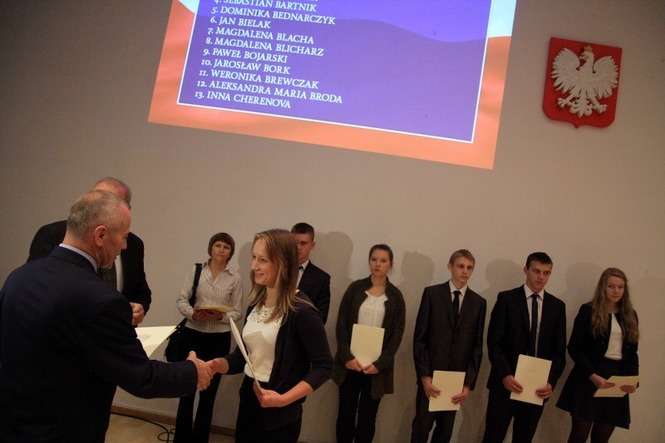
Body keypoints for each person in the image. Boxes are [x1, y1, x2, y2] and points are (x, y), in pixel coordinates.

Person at [0, 190, 212, 443]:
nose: (124, 246)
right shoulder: (100, 298)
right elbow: (142, 377)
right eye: (123, 237)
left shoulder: (19, 277)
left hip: (14, 422)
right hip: (63, 429)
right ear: (100, 235)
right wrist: (192, 372)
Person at [209, 229, 332, 443]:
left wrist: (284, 399)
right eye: (254, 257)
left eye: (262, 260)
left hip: (281, 411)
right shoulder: (256, 303)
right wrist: (218, 364)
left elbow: (324, 367)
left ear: (283, 263)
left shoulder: (302, 311)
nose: (254, 266)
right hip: (249, 397)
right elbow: (242, 357)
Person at [27, 176, 151, 325]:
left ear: (126, 210)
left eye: (107, 202)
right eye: (95, 198)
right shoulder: (51, 235)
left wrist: (138, 308)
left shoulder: (133, 244)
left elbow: (140, 291)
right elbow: (36, 290)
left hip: (116, 331)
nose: (96, 206)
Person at [482, 252, 567, 443]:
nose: (541, 277)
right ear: (526, 270)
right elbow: (494, 343)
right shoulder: (506, 299)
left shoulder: (557, 306)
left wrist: (550, 382)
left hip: (537, 388)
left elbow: (559, 351)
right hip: (505, 384)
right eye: (536, 271)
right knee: (493, 437)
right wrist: (505, 375)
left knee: (524, 438)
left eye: (546, 273)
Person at [411, 249, 487, 443]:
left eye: (469, 267)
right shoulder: (432, 294)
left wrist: (468, 384)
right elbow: (420, 338)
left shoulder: (478, 303)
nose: (465, 271)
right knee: (421, 428)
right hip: (431, 377)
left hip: (456, 382)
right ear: (450, 267)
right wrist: (425, 377)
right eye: (461, 266)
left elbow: (477, 347)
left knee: (444, 433)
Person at [173, 232, 243, 443]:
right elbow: (181, 300)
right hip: (192, 334)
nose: (221, 249)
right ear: (210, 248)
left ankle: (200, 439)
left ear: (230, 252)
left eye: (226, 247)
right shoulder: (196, 270)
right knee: (186, 390)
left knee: (208, 394)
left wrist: (220, 316)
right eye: (218, 245)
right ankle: (181, 439)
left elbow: (237, 312)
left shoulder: (235, 278)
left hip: (218, 339)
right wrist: (194, 314)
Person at [333, 244, 406, 443]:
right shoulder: (355, 289)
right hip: (351, 364)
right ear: (369, 261)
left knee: (367, 417)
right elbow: (341, 325)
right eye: (374, 259)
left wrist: (380, 364)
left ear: (390, 264)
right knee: (345, 414)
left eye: (383, 260)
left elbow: (397, 335)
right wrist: (347, 357)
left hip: (376, 368)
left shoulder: (396, 297)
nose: (377, 264)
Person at [557, 268, 639, 442]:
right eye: (611, 286)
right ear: (603, 287)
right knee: (579, 436)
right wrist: (592, 375)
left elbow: (632, 354)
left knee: (601, 438)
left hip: (616, 379)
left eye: (620, 287)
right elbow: (574, 348)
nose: (616, 291)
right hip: (589, 376)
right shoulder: (588, 310)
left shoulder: (630, 315)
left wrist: (633, 381)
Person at [292, 222, 331, 324]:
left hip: (303, 331)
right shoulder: (277, 271)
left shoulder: (322, 279)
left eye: (303, 243)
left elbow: (321, 317)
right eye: (295, 242)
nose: (298, 247)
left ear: (312, 245)